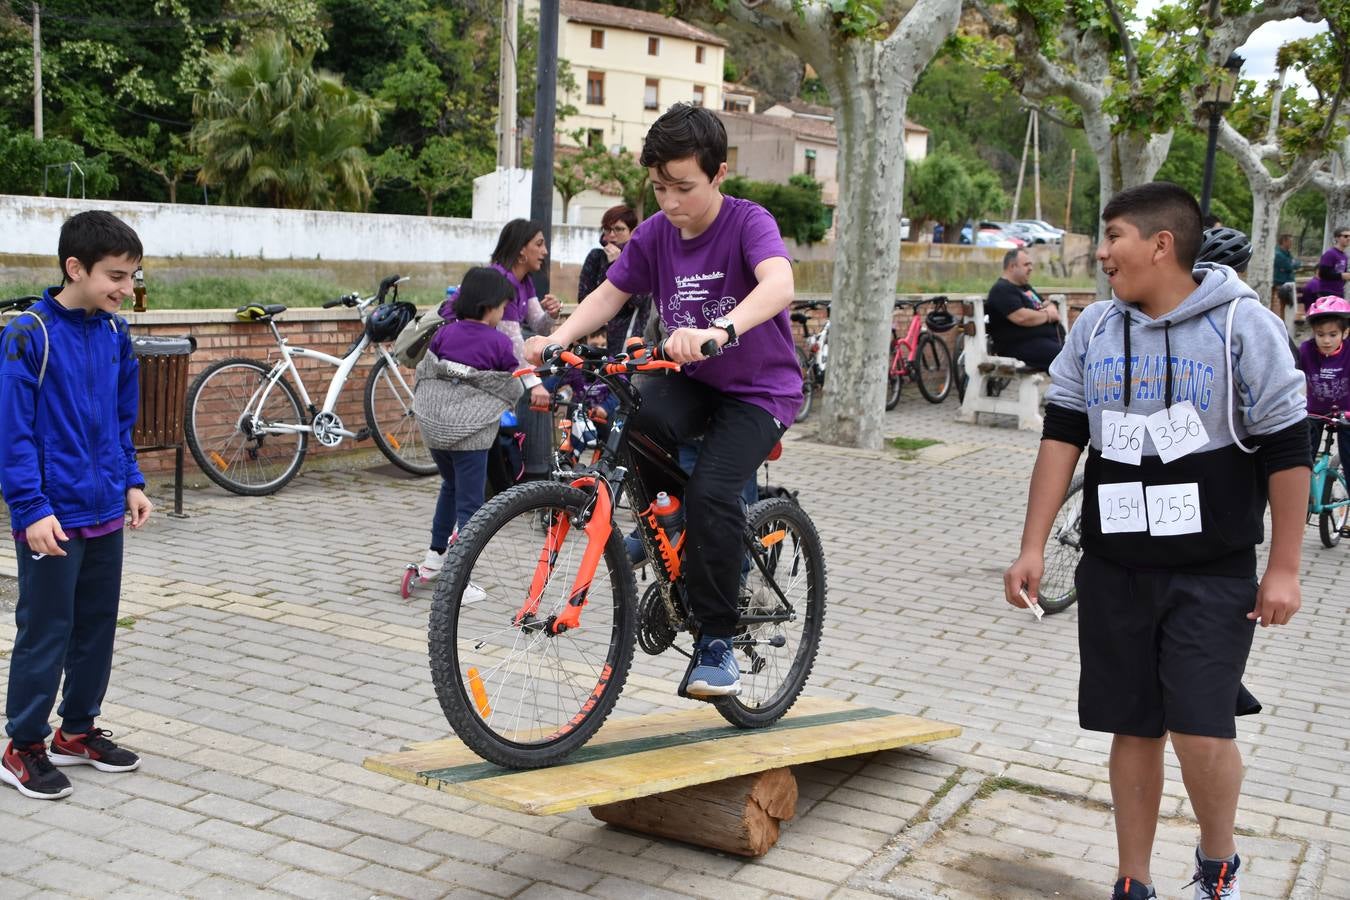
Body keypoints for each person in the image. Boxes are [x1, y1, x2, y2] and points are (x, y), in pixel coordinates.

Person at [1003, 182, 1309, 900]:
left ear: (1160, 244)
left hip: (1213, 570)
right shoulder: (1097, 329)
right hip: (1115, 564)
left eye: (1112, 237)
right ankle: (1131, 880)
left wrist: (1286, 567)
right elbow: (1063, 437)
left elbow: (1287, 447)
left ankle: (1217, 865)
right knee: (1133, 727)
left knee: (1201, 730)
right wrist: (1032, 545)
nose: (1102, 253)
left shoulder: (1242, 326)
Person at [524, 103, 800, 698]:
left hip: (758, 391)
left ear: (719, 174)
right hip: (691, 380)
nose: (670, 202)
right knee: (639, 419)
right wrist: (558, 337)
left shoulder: (748, 222)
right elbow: (611, 292)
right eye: (658, 188)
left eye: (684, 187)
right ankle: (671, 523)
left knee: (716, 491)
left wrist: (721, 330)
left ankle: (718, 640)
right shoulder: (654, 235)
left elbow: (779, 283)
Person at [0, 210, 154, 800]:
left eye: (132, 276)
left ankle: (77, 731)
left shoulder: (116, 334)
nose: (125, 288)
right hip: (50, 518)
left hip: (104, 511)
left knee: (96, 627)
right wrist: (31, 510)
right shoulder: (26, 335)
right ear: (75, 267)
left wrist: (132, 482)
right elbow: (12, 434)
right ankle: (24, 745)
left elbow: (120, 421)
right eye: (116, 275)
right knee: (46, 630)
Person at [412, 267, 524, 585]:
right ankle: (462, 580)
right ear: (489, 306)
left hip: (435, 430)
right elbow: (510, 383)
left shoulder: (445, 333)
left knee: (449, 487)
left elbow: (431, 370)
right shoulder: (499, 343)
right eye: (502, 307)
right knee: (472, 506)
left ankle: (434, 559)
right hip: (472, 434)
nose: (503, 314)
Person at [577, 205, 652, 352]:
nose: (611, 235)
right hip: (598, 336)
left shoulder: (641, 260)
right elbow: (583, 297)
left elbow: (638, 300)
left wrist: (618, 265)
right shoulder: (596, 257)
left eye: (619, 229)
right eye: (607, 229)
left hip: (628, 339)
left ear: (631, 232)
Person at [1297, 296, 1350, 484]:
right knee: (1301, 459)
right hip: (1314, 413)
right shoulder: (1305, 351)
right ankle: (1302, 498)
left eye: (1333, 334)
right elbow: (1291, 378)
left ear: (1345, 333)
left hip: (1347, 414)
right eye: (1320, 335)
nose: (1326, 340)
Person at [985, 247, 1064, 371]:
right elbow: (1021, 317)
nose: (1031, 268)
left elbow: (1044, 303)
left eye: (1031, 264)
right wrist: (1049, 316)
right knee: (1066, 360)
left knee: (1077, 356)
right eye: (1026, 264)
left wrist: (1051, 307)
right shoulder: (1001, 290)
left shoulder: (1025, 287)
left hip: (1044, 341)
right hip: (1018, 346)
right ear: (1012, 267)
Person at [1302, 226, 1350, 306]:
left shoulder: (1344, 256)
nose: (1348, 238)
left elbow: (1341, 274)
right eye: (1345, 236)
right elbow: (1323, 273)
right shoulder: (1330, 254)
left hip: (1339, 292)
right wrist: (1341, 276)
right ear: (1337, 238)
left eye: (1349, 236)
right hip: (1327, 293)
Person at [1273, 233, 1298, 313]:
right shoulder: (1278, 254)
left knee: (1288, 306)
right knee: (1283, 305)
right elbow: (1289, 266)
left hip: (1289, 281)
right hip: (1280, 282)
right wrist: (1292, 265)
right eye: (1290, 241)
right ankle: (1282, 321)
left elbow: (1297, 264)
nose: (1291, 244)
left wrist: (1293, 264)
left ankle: (1287, 321)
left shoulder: (1287, 253)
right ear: (1284, 241)